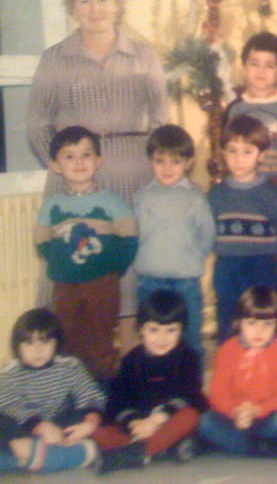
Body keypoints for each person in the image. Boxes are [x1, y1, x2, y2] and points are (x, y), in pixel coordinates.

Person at [27, 0, 168, 351]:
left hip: (133, 174)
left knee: (129, 262)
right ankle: (67, 361)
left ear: (117, 3)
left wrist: (154, 168)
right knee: (71, 266)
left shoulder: (142, 54)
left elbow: (161, 120)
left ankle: (131, 358)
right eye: (85, 1)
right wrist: (66, 166)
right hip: (74, 177)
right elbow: (37, 125)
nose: (95, 9)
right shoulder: (55, 58)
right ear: (72, 6)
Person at [33, 125, 137, 380]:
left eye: (86, 155)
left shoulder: (111, 201)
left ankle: (102, 386)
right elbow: (42, 239)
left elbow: (129, 237)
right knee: (66, 334)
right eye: (69, 156)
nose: (79, 162)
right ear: (56, 165)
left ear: (98, 161)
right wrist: (58, 263)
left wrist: (115, 268)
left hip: (103, 283)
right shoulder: (53, 204)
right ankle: (70, 385)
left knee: (101, 336)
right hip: (65, 285)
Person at [93, 290, 207, 473]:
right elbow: (117, 401)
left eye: (171, 330)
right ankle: (163, 448)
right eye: (154, 330)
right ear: (141, 330)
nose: (162, 338)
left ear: (181, 331)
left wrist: (156, 420)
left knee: (191, 417)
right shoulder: (131, 361)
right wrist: (134, 422)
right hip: (140, 425)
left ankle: (135, 454)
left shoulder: (188, 357)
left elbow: (190, 395)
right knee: (99, 432)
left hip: (169, 420)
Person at [208, 115, 277, 343]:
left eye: (247, 152)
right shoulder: (216, 194)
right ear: (223, 153)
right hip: (227, 265)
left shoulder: (272, 193)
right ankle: (229, 356)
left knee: (263, 314)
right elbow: (209, 230)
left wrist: (275, 259)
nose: (238, 159)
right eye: (232, 151)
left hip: (262, 264)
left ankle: (265, 358)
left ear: (261, 155)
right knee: (228, 314)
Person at [133, 125, 215, 356]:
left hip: (185, 281)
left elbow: (207, 236)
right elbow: (135, 235)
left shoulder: (196, 198)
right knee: (151, 341)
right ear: (150, 161)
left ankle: (190, 379)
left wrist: (191, 258)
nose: (167, 168)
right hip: (149, 279)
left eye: (175, 161)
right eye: (160, 161)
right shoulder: (141, 197)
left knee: (190, 339)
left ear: (188, 163)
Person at [0, 308, 102, 474]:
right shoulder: (10, 373)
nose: (38, 350)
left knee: (82, 416)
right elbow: (11, 407)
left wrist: (90, 423)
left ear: (56, 343)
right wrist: (38, 426)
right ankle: (37, 454)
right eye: (29, 343)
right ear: (17, 346)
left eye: (45, 342)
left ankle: (30, 457)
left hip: (58, 427)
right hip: (24, 428)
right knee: (4, 421)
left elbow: (90, 396)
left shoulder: (70, 366)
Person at [198, 287, 277, 457]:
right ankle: (264, 448)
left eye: (267, 324)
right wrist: (235, 411)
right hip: (235, 417)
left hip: (267, 415)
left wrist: (257, 410)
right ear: (239, 322)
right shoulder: (227, 349)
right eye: (251, 323)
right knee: (205, 422)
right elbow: (218, 393)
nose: (259, 331)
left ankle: (237, 444)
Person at [223, 31, 277, 182]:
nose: (261, 71)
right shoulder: (234, 109)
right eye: (254, 64)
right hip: (243, 183)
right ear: (244, 68)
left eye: (269, 66)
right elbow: (226, 148)